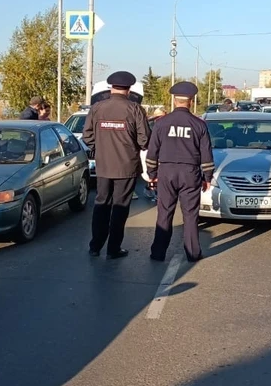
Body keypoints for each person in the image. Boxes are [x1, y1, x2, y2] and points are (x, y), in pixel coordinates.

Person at [83, 71, 151, 259]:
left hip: (103, 165)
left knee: (101, 203)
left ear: (110, 88)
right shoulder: (135, 109)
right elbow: (145, 139)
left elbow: (87, 136)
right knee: (120, 207)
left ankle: (95, 246)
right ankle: (113, 248)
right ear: (129, 89)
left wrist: (101, 149)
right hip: (126, 167)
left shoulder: (97, 108)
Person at [146, 81, 215, 263]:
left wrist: (152, 174)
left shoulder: (162, 124)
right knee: (191, 215)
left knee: (164, 213)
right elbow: (206, 155)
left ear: (174, 100)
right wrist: (207, 177)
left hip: (166, 172)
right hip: (190, 173)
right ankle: (193, 253)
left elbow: (152, 151)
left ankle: (158, 253)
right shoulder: (199, 124)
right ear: (191, 101)